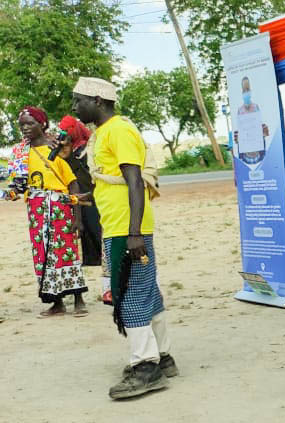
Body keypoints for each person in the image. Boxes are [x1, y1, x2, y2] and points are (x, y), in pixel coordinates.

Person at [72, 77, 177, 400]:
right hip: (118, 225)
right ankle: (164, 357)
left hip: (127, 230)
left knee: (129, 297)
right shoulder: (103, 133)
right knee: (147, 293)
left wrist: (134, 234)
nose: (75, 108)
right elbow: (113, 180)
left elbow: (134, 182)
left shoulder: (119, 130)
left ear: (98, 101)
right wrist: (89, 196)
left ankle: (145, 367)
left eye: (79, 101)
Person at [2, 106, 89, 318]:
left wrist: (77, 217)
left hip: (59, 209)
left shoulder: (55, 151)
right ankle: (56, 302)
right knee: (43, 256)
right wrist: (9, 194)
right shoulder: (20, 154)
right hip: (36, 212)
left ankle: (78, 299)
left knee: (67, 252)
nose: (25, 128)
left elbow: (73, 185)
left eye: (30, 123)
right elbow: (19, 186)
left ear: (42, 124)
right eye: (22, 124)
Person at [58, 115, 103, 271]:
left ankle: (101, 257)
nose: (65, 134)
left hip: (92, 193)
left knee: (94, 225)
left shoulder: (86, 147)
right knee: (84, 226)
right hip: (80, 194)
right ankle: (92, 259)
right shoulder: (70, 149)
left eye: (67, 130)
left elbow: (85, 172)